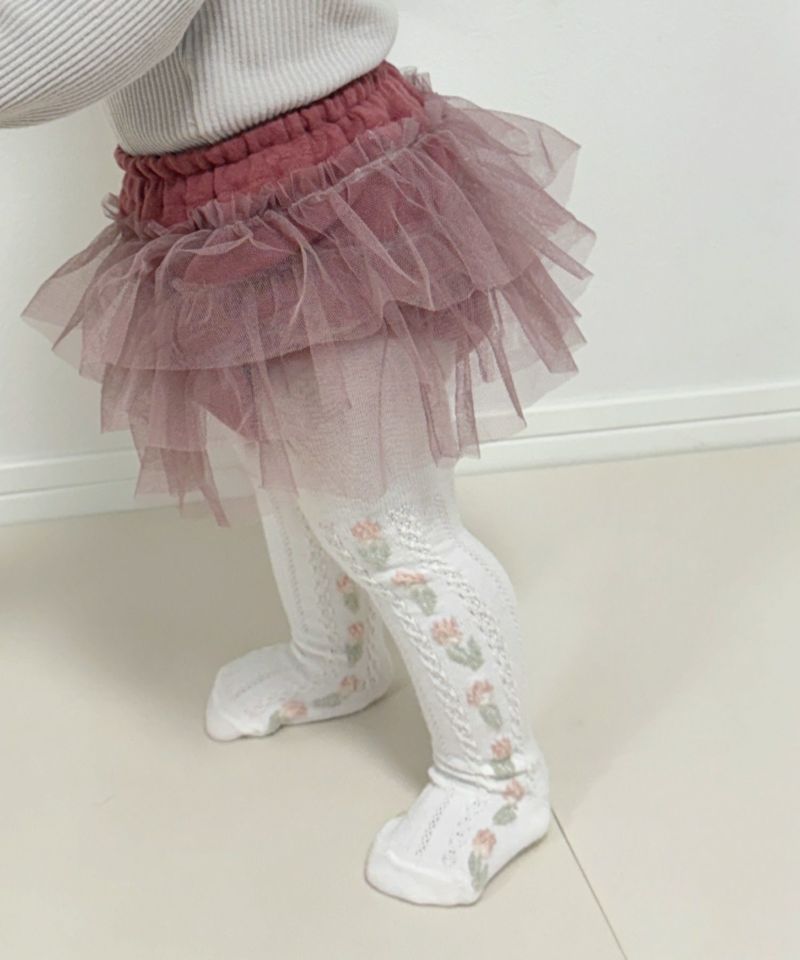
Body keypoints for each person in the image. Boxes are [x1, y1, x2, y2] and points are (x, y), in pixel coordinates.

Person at [1, 0, 595, 905]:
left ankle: (497, 775)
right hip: (231, 187)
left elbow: (90, 35)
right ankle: (337, 655)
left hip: (314, 188)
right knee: (288, 465)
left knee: (383, 515)